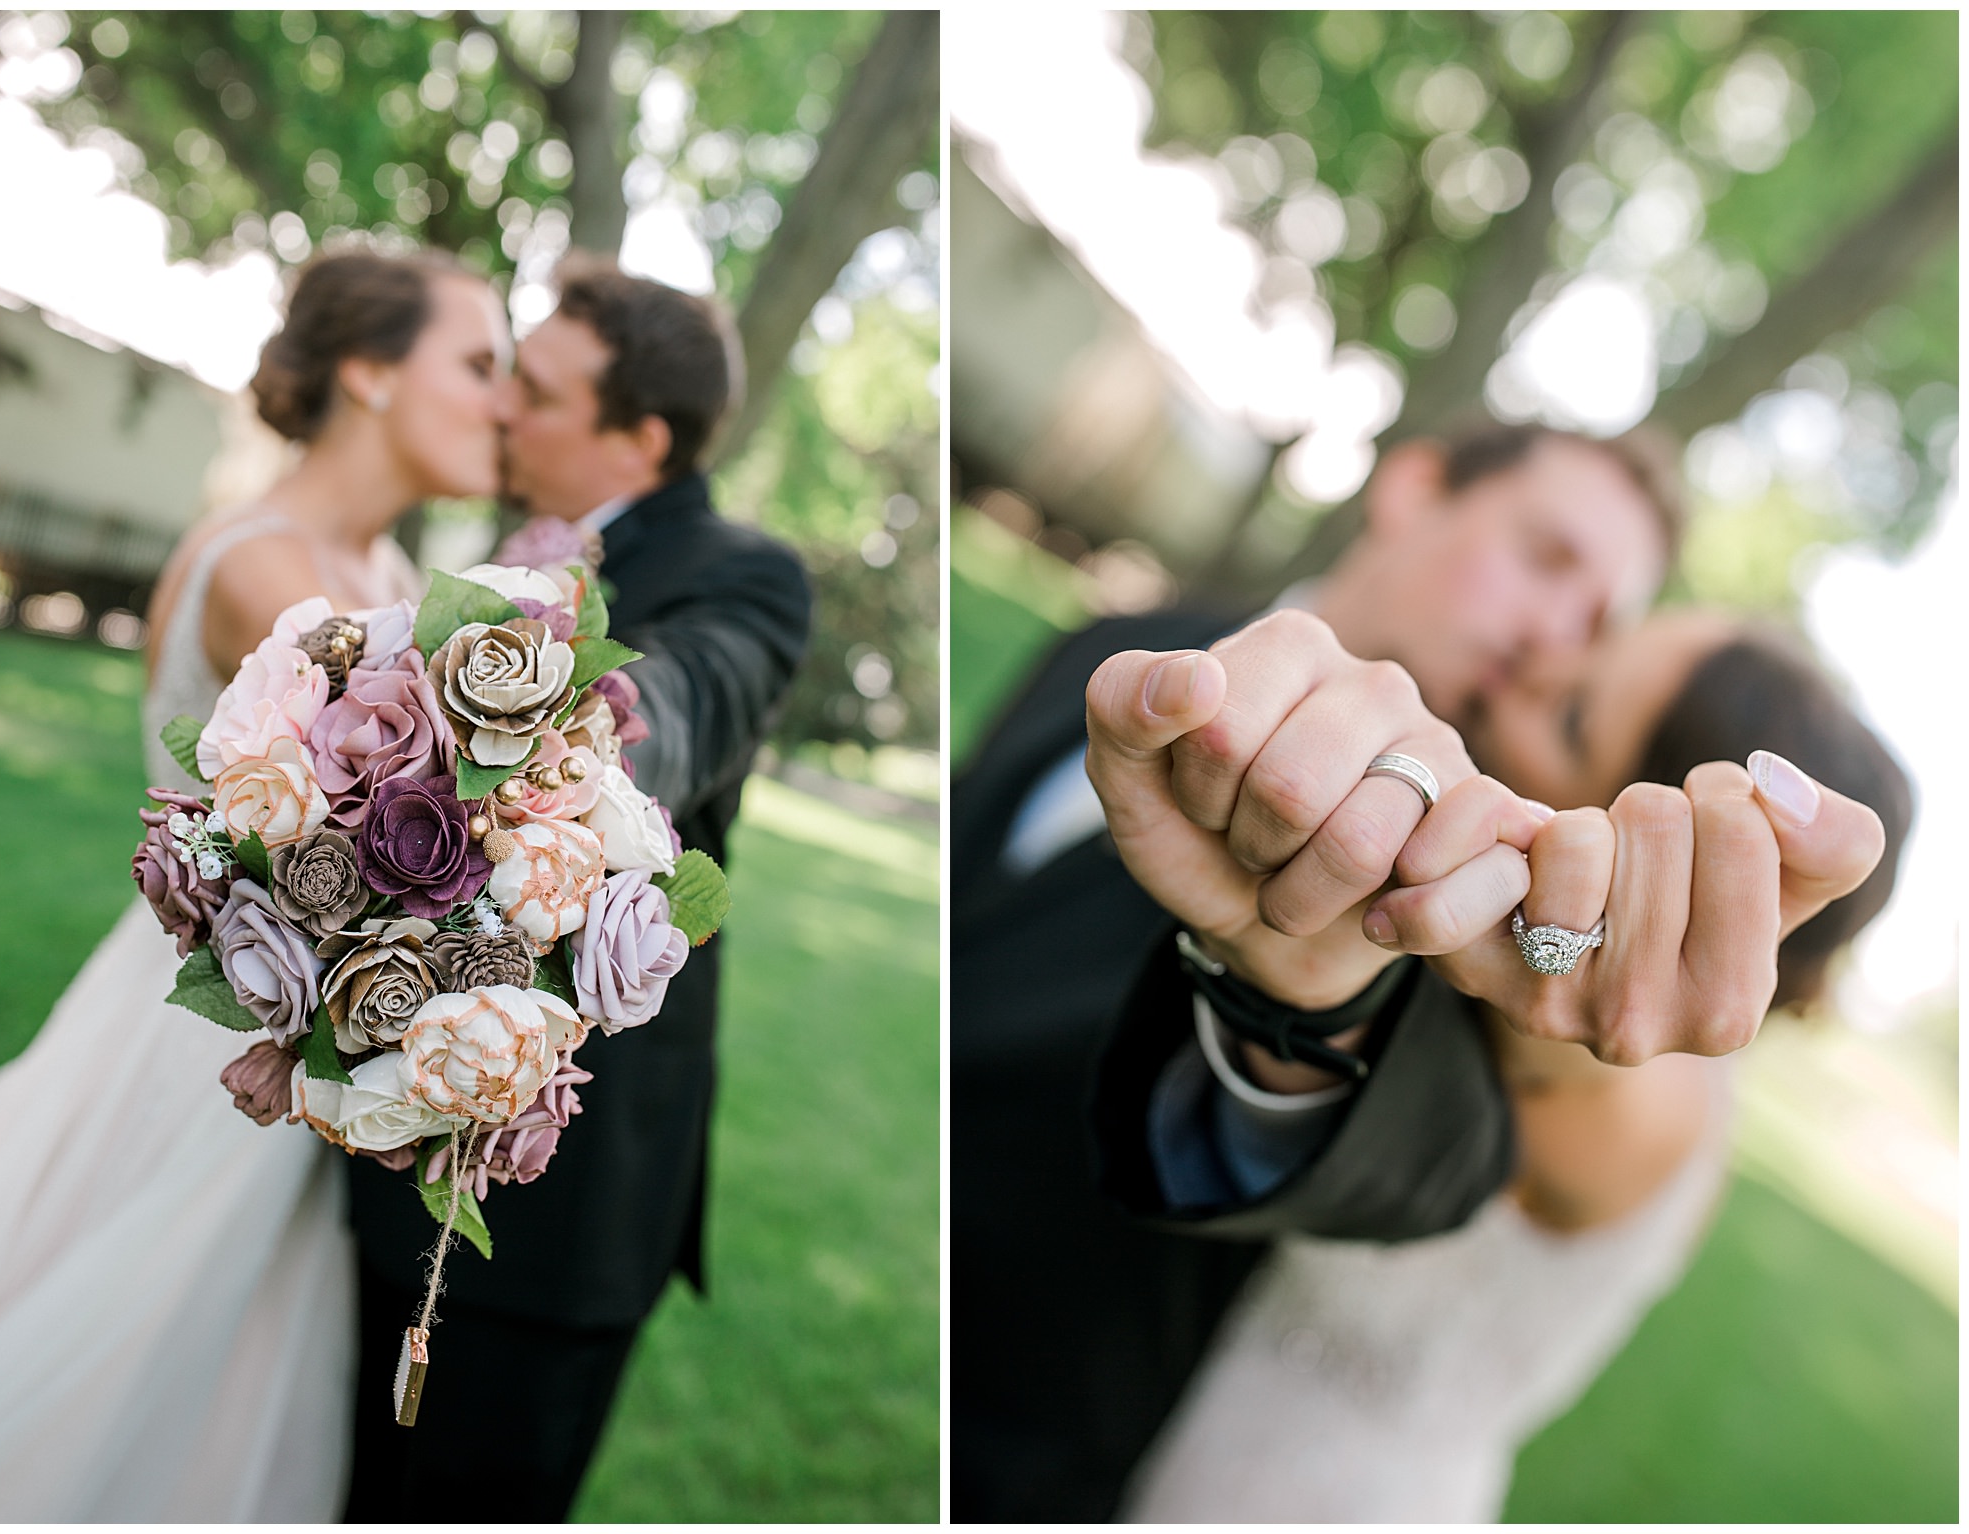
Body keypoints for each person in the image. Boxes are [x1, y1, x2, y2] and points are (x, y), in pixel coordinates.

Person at [947, 420, 1883, 1519]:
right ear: (1411, 487)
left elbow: (1489, 1091)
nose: (1545, 649)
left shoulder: (1429, 903)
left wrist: (1304, 991)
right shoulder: (1128, 638)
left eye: (1592, 644)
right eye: (1545, 559)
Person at [0, 247, 512, 1520]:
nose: (504, 402)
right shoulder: (269, 576)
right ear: (367, 372)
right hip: (205, 1045)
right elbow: (386, 863)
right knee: (104, 1360)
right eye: (477, 365)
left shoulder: (388, 579)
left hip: (298, 1042)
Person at [1118, 610, 1909, 1521]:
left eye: (1572, 714)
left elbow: (1573, 1059)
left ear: (1639, 872)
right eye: (1593, 637)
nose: (1535, 654)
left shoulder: (1658, 1099)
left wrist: (1573, 992)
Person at [341, 254, 813, 1521]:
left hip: (562, 1210)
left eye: (538, 393)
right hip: (394, 1135)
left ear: (639, 439)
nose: (501, 410)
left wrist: (545, 700)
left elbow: (687, 698)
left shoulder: (744, 571)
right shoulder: (510, 549)